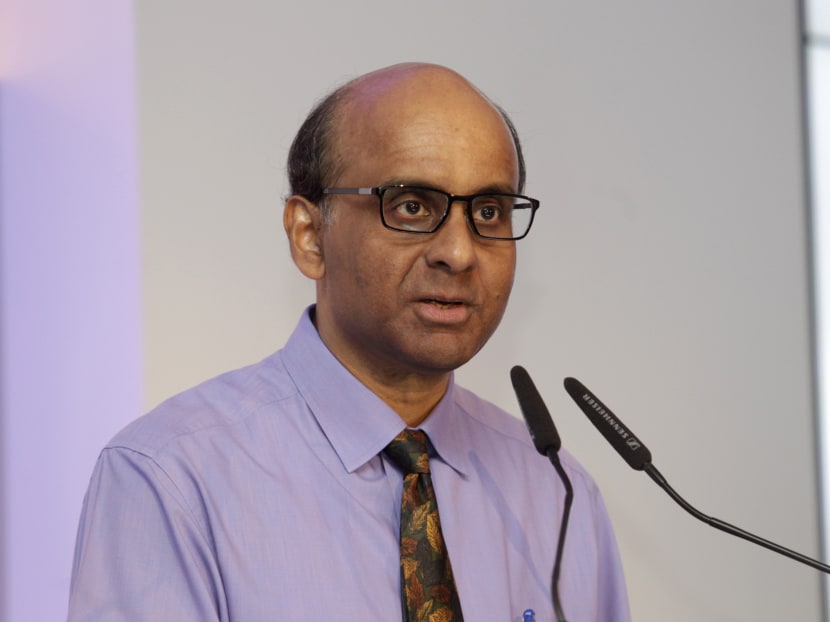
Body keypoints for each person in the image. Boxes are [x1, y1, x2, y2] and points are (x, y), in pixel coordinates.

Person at [68, 62, 630, 622]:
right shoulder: (172, 478)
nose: (459, 253)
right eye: (412, 206)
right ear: (310, 236)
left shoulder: (557, 493)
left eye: (488, 212)